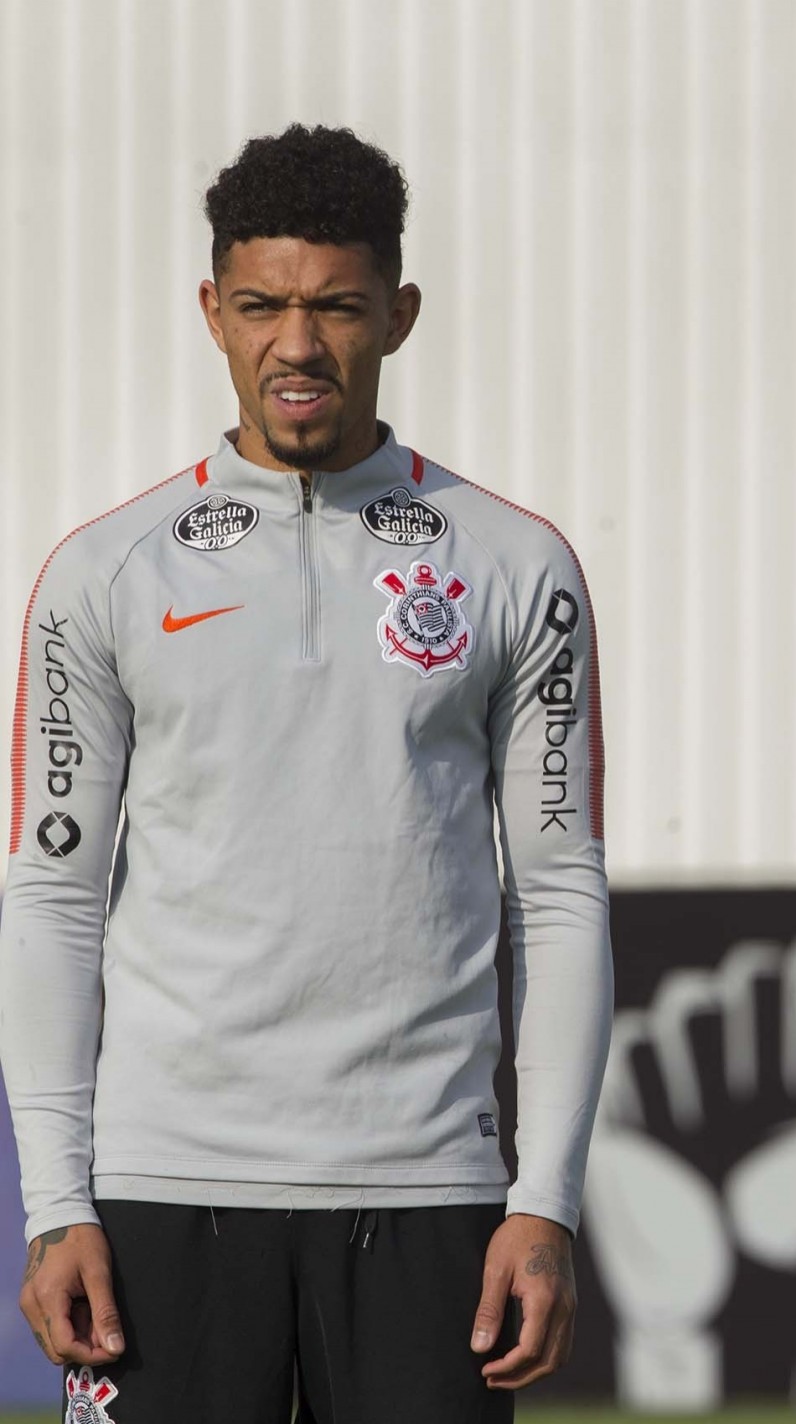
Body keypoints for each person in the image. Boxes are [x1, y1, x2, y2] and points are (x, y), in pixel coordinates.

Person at [0, 123, 612, 1424]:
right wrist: (57, 1206)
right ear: (212, 310)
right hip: (166, 1199)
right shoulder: (105, 575)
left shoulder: (513, 565)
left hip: (430, 1195)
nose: (297, 344)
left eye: (335, 306)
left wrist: (541, 1199)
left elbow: (556, 894)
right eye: (265, 305)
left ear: (397, 312)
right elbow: (51, 898)